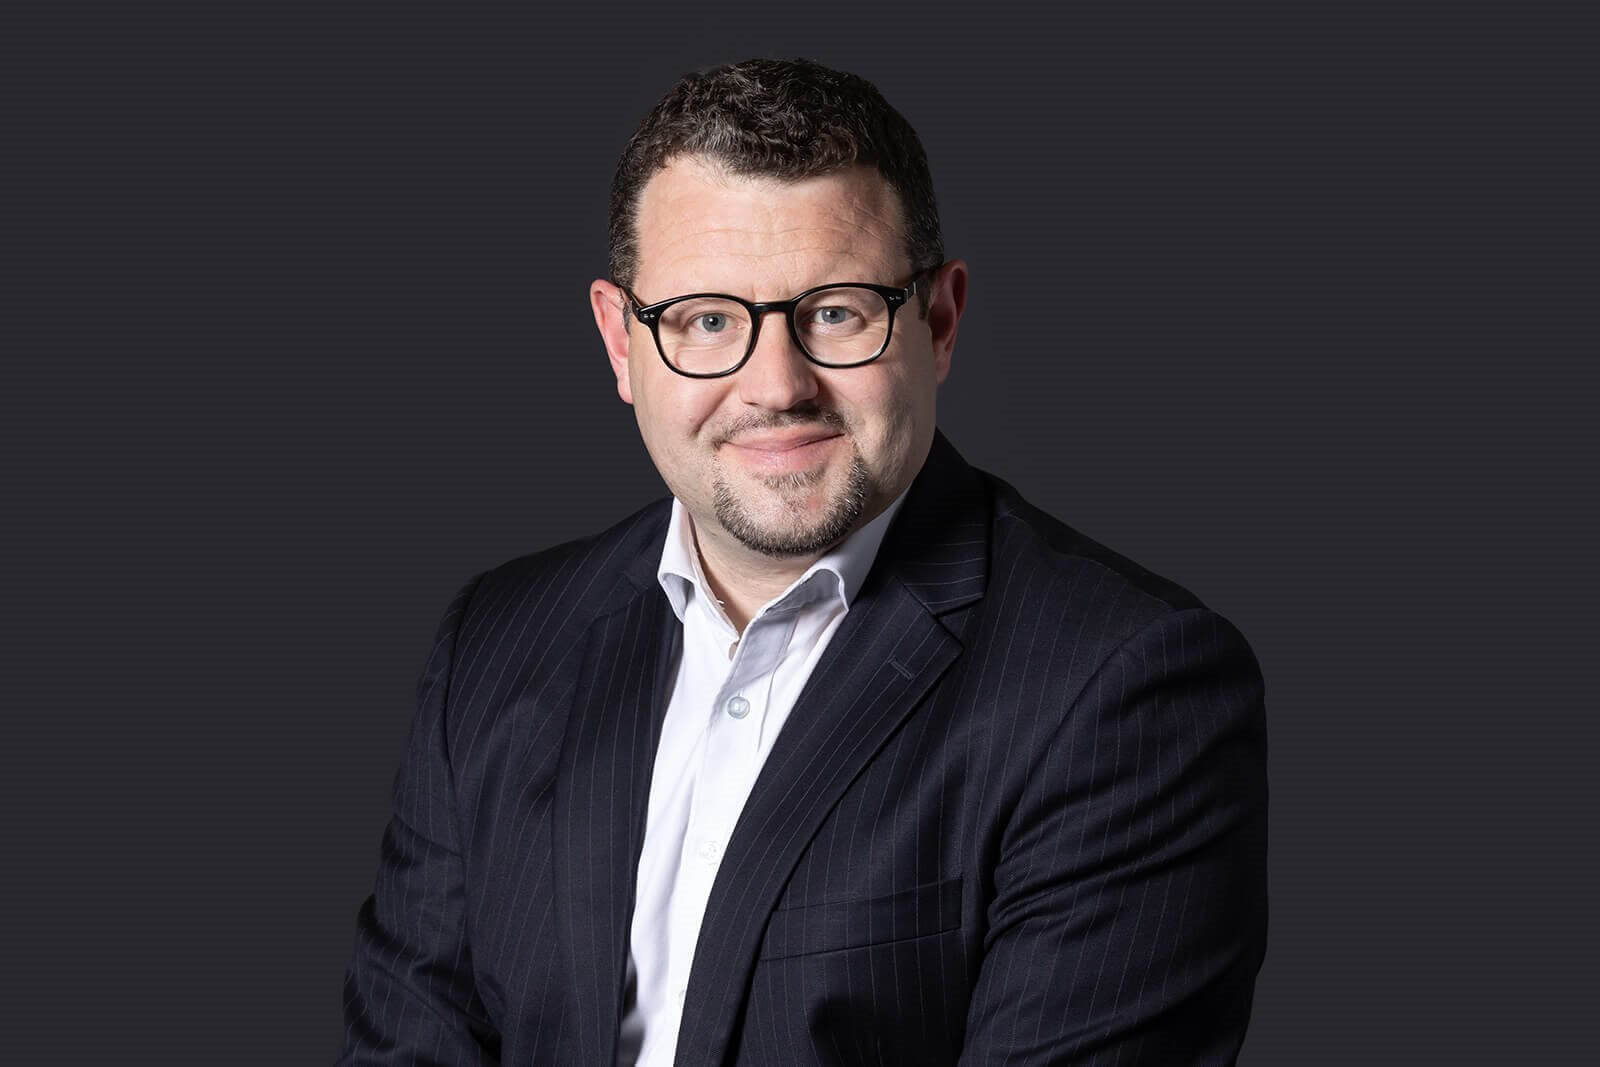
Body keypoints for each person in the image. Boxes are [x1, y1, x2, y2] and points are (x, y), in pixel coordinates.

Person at [339, 57, 1268, 1066]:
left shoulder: (1122, 688)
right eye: (707, 320)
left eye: (835, 311)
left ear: (939, 321)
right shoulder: (497, 643)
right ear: (619, 342)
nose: (776, 385)